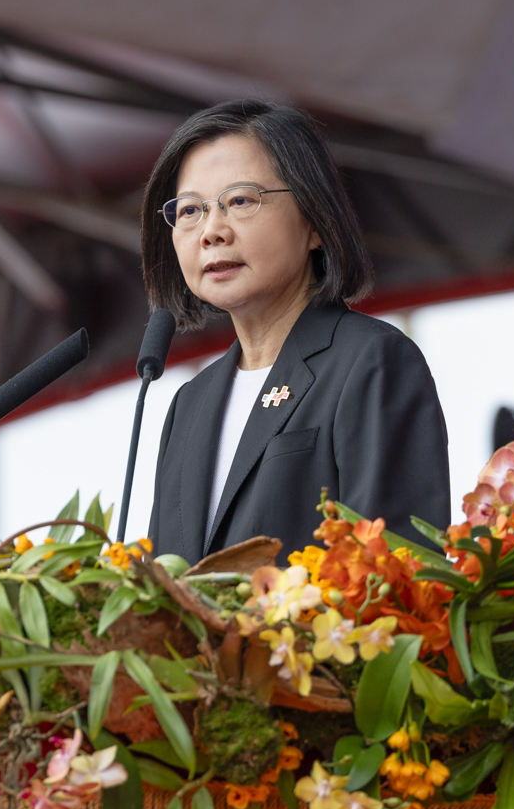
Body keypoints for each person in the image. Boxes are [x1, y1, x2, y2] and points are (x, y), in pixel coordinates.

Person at [142, 99, 451, 563]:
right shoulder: (190, 403)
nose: (211, 231)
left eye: (241, 200)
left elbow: (399, 572)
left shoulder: (370, 362)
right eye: (190, 211)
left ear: (314, 221)